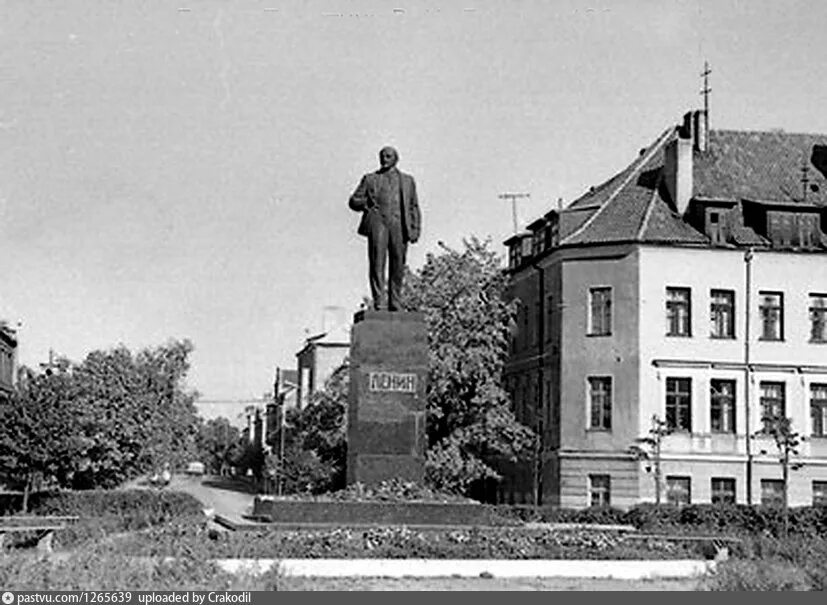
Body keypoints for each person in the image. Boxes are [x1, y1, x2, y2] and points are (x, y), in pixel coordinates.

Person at [348, 146, 421, 311]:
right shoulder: (370, 179)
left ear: (396, 159)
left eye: (388, 156)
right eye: (382, 156)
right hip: (378, 223)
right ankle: (379, 300)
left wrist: (415, 228)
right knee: (377, 263)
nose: (384, 159)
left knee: (398, 264)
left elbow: (413, 206)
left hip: (399, 226)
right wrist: (366, 203)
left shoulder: (408, 181)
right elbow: (354, 200)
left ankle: (395, 301)